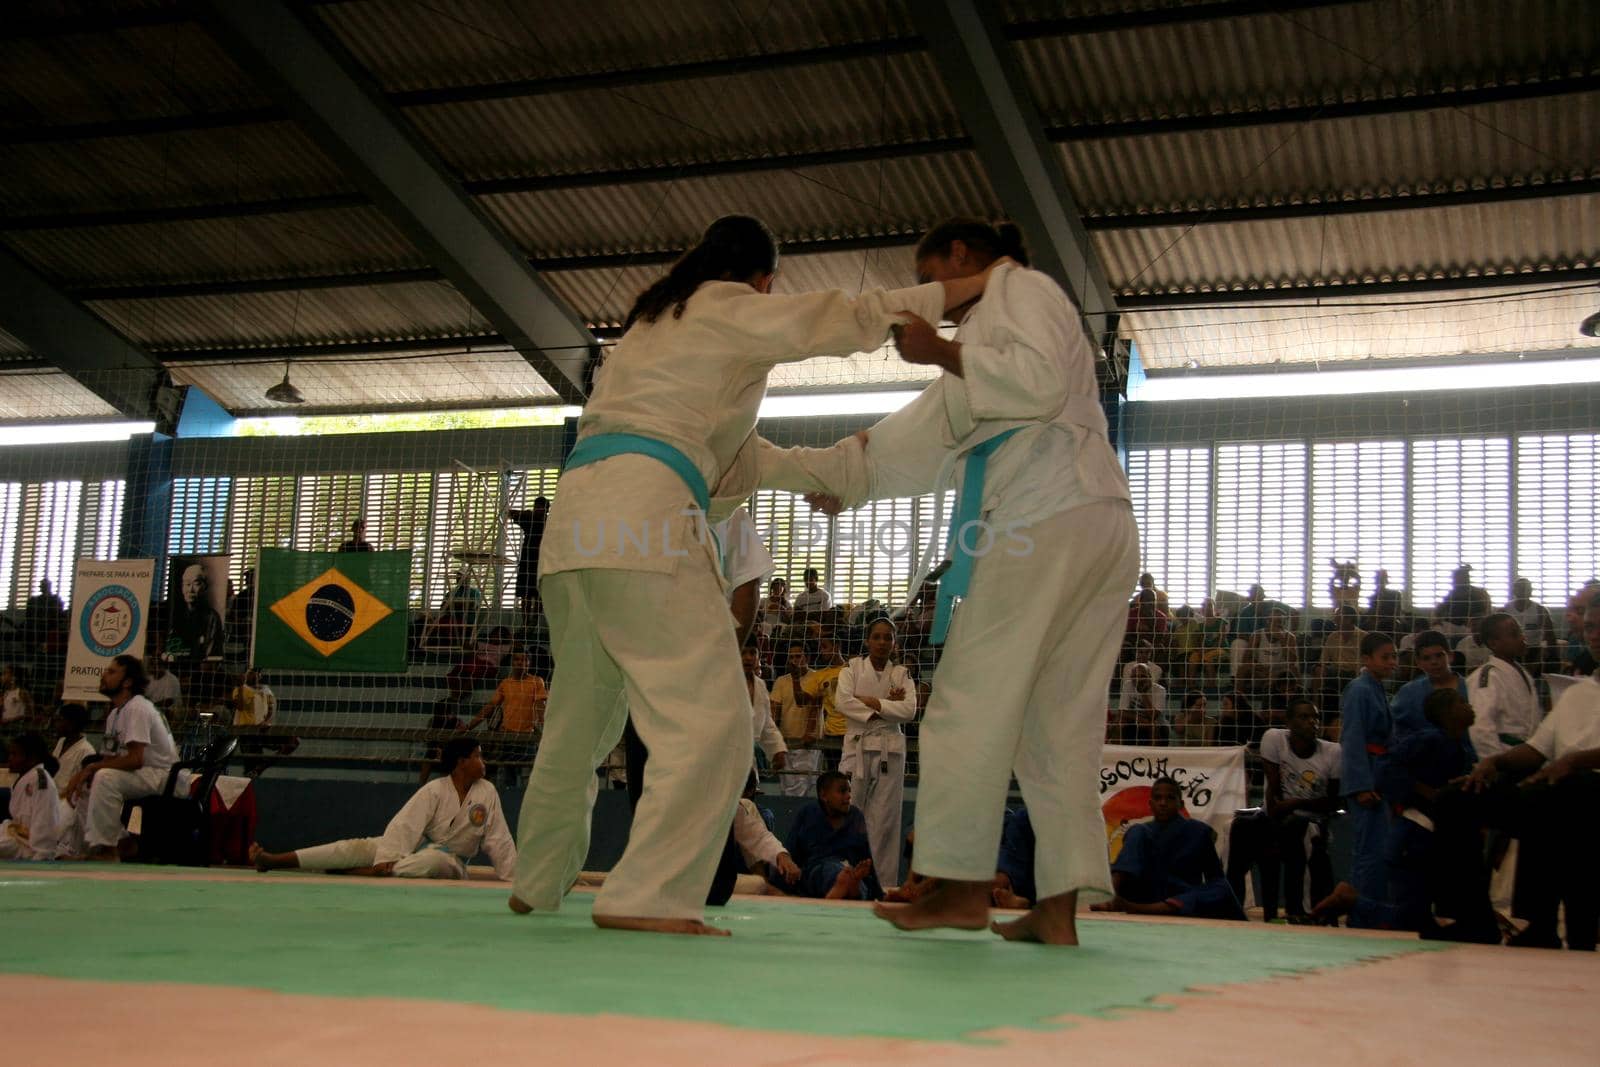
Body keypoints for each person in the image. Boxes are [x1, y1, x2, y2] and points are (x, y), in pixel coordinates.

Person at [508, 214, 990, 936]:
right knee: (715, 722)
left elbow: (741, 460)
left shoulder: (652, 328)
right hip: (643, 520)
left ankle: (534, 882)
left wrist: (838, 474)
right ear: (763, 279)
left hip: (576, 526)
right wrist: (963, 288)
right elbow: (844, 318)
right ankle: (648, 893)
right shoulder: (728, 305)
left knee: (578, 725)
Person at [781, 218, 1139, 944]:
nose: (938, 305)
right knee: (1056, 723)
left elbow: (1035, 384)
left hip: (1047, 513)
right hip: (1090, 518)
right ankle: (1060, 908)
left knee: (967, 700)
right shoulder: (978, 352)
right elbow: (912, 443)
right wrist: (844, 480)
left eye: (935, 281)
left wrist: (941, 349)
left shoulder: (1023, 291)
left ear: (959, 257)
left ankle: (960, 887)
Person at [1464, 599, 1600, 950]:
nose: (1595, 636)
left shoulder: (1522, 675)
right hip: (1560, 784)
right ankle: (1472, 919)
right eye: (1589, 628)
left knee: (1554, 794)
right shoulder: (1579, 691)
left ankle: (1544, 923)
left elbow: (1558, 760)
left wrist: (1573, 761)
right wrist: (1494, 763)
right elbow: (1537, 748)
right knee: (1458, 798)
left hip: (1587, 784)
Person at [251, 738, 514, 880]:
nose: (483, 762)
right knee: (354, 847)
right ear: (461, 762)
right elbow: (407, 823)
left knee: (434, 861)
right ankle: (275, 860)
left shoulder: (486, 791)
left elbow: (498, 838)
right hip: (415, 846)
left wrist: (513, 874)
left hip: (451, 861)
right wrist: (388, 854)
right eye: (478, 756)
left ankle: (363, 872)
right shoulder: (436, 789)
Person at [1227, 699, 1339, 921]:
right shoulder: (1274, 738)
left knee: (1302, 830)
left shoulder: (1332, 752)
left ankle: (1301, 910)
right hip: (1275, 814)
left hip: (1311, 819)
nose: (1312, 722)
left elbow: (1333, 802)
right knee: (1239, 826)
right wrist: (1277, 815)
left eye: (1315, 717)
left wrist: (1297, 804)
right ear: (1289, 722)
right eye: (1304, 717)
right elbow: (1274, 790)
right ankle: (1232, 906)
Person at [61, 654, 179, 861]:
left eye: (111, 671)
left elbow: (136, 759)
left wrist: (91, 768)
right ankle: (120, 843)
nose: (103, 675)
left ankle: (107, 850)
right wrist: (84, 774)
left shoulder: (137, 707)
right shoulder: (115, 714)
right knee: (89, 783)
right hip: (145, 773)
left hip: (166, 776)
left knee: (104, 777)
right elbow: (109, 759)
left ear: (127, 682)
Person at [1090, 777, 1244, 920]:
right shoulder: (1141, 832)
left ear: (1181, 804)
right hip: (1146, 889)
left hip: (1180, 897)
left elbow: (1215, 877)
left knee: (1221, 888)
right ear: (1150, 804)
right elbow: (1127, 867)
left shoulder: (1199, 831)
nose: (1163, 803)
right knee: (1137, 830)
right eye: (1158, 798)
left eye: (1170, 798)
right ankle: (1109, 895)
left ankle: (1139, 909)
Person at [835, 617, 916, 887]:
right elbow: (842, 701)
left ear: (894, 643)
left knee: (885, 821)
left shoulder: (901, 673)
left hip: (889, 752)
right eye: (877, 637)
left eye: (888, 637)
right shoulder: (852, 668)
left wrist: (872, 702)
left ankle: (883, 885)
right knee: (848, 812)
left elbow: (909, 711)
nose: (882, 642)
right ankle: (842, 878)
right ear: (868, 640)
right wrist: (882, 710)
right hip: (858, 746)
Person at [1332, 632, 1399, 927]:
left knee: (1378, 848)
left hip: (1379, 774)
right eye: (1385, 657)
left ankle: (1370, 910)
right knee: (1368, 851)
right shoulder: (1359, 689)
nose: (1392, 662)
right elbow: (1353, 737)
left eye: (1394, 656)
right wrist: (1360, 785)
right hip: (1366, 776)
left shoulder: (1376, 688)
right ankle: (1361, 914)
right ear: (1367, 659)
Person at [769, 771, 879, 900]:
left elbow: (866, 859)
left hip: (849, 869)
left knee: (858, 880)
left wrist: (879, 894)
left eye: (849, 791)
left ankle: (852, 887)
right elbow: (791, 852)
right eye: (842, 791)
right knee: (831, 870)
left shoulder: (856, 816)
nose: (848, 796)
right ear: (824, 795)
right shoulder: (808, 813)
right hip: (816, 871)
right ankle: (845, 885)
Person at [1465, 613, 1542, 762]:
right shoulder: (1488, 676)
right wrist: (1494, 764)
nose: (1522, 638)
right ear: (1494, 643)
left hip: (1528, 754)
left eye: (1520, 632)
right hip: (1505, 755)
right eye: (1514, 634)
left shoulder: (1522, 671)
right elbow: (1480, 727)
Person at [462, 650, 547, 784]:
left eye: (524, 660)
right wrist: (469, 726)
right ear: (512, 663)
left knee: (528, 779)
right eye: (517, 659)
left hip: (527, 737)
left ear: (529, 663)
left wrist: (544, 728)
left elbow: (540, 705)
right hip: (507, 736)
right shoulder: (505, 683)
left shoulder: (536, 682)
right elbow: (490, 706)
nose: (520, 662)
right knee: (506, 777)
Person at [0, 734, 69, 861]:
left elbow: (45, 821)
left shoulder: (41, 782)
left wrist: (42, 854)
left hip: (28, 846)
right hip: (15, 835)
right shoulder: (26, 777)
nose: (10, 758)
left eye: (14, 754)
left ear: (31, 758)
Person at [1391, 630, 1469, 740]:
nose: (1434, 662)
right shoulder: (1409, 693)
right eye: (1426, 658)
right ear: (1418, 662)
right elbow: (1395, 730)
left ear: (1450, 656)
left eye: (1439, 655)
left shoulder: (1470, 688)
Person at [770, 642, 823, 797]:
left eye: (798, 656)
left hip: (808, 743)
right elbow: (775, 710)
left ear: (807, 657)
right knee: (786, 788)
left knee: (803, 787)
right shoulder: (781, 681)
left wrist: (810, 732)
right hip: (787, 741)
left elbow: (815, 707)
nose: (794, 660)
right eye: (791, 657)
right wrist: (775, 739)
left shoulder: (816, 678)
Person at [507, 498, 550, 626]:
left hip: (541, 562)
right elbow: (510, 513)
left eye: (540, 507)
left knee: (538, 596)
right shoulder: (529, 519)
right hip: (527, 562)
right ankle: (526, 623)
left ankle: (534, 622)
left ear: (546, 509)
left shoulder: (549, 522)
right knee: (525, 595)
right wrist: (526, 513)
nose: (538, 509)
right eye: (536, 507)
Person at [169, 562, 224, 661]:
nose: (190, 589)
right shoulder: (174, 614)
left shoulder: (212, 618)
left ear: (205, 587)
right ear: (182, 588)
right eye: (187, 584)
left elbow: (211, 653)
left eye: (196, 583)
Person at [1503, 578, 1556, 671]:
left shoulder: (1540, 610)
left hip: (1534, 651)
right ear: (1514, 591)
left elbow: (1550, 637)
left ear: (1531, 591)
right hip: (1512, 651)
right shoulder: (1505, 610)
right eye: (1520, 588)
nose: (1523, 591)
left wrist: (1541, 658)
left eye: (1526, 588)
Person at [1115, 662, 1167, 746]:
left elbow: (1153, 716)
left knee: (1154, 726)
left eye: (1142, 676)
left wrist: (1143, 693)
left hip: (1155, 721)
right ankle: (1118, 753)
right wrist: (1139, 719)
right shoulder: (1128, 685)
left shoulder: (1160, 690)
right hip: (1135, 719)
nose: (1138, 679)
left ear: (1149, 676)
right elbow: (1121, 711)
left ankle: (1152, 755)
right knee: (1118, 722)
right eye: (1135, 676)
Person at [50, 703, 96, 798]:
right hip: (51, 794)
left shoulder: (87, 751)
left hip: (68, 800)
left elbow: (80, 786)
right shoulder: (61, 741)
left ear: (71, 724)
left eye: (60, 720)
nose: (56, 724)